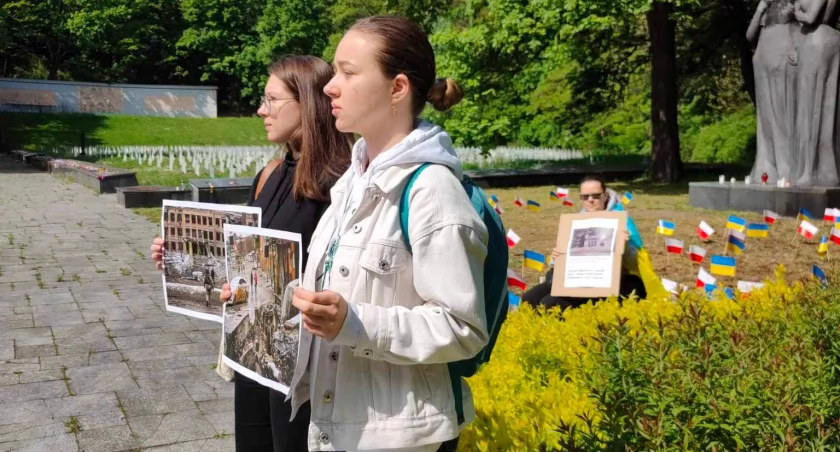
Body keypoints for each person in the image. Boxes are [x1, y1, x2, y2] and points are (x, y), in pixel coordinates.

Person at [286, 16, 488, 452]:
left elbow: (462, 326)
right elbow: (332, 289)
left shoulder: (431, 189)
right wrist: (256, 297)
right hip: (339, 426)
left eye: (348, 72)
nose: (329, 87)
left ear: (397, 88)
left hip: (399, 438)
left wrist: (353, 322)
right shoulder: (352, 182)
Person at [150, 55, 353, 452]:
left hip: (305, 363)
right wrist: (181, 256)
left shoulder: (341, 183)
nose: (261, 110)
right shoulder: (271, 173)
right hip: (254, 353)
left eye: (271, 100)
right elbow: (241, 253)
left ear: (307, 102)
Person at [522, 175, 648, 312]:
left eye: (596, 196)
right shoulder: (576, 222)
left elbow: (638, 264)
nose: (590, 200)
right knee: (529, 299)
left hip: (606, 282)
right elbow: (560, 260)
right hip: (575, 279)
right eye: (585, 197)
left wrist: (624, 246)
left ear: (605, 196)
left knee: (550, 304)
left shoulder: (622, 220)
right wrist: (556, 257)